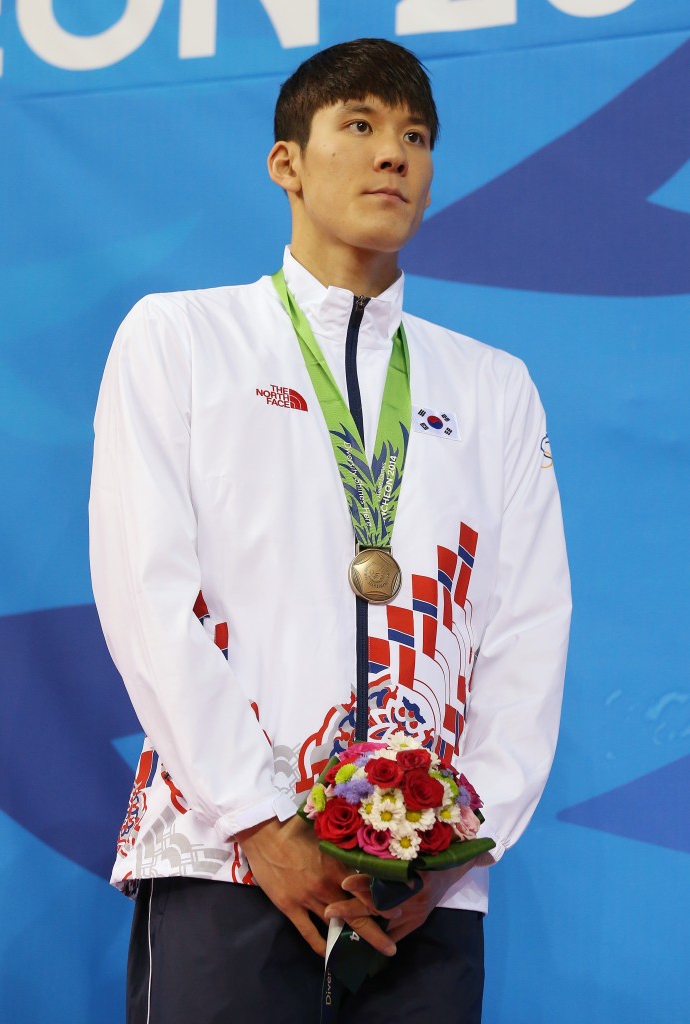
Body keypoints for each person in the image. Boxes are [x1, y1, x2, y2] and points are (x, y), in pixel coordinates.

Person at [89, 37, 571, 1024]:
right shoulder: (181, 340)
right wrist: (262, 823)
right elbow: (145, 592)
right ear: (287, 164)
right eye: (357, 125)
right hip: (228, 859)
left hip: (418, 889)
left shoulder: (492, 387)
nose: (392, 154)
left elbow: (527, 625)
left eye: (414, 135)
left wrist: (456, 844)